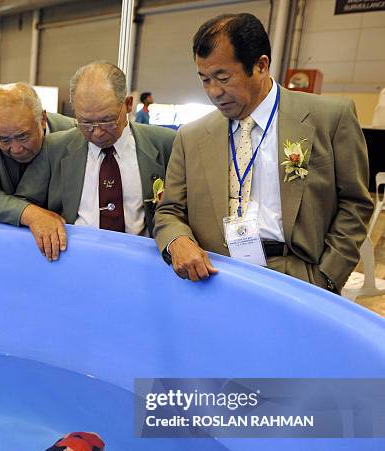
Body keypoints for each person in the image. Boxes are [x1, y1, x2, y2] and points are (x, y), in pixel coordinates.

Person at [154, 13, 373, 293]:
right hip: (214, 275)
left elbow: (355, 203)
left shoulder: (328, 119)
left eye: (223, 77)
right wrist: (177, 240)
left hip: (297, 276)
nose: (214, 91)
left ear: (260, 65)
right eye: (205, 79)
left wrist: (328, 276)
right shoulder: (191, 136)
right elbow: (169, 210)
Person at [14, 62, 175, 261]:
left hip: (143, 264)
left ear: (127, 104)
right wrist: (35, 215)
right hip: (73, 261)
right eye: (86, 122)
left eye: (107, 120)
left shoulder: (166, 144)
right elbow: (22, 202)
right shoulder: (54, 148)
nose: (97, 132)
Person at [0, 82, 74, 225]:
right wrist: (28, 213)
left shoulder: (73, 134)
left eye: (23, 137)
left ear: (42, 119)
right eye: (3, 140)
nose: (16, 149)